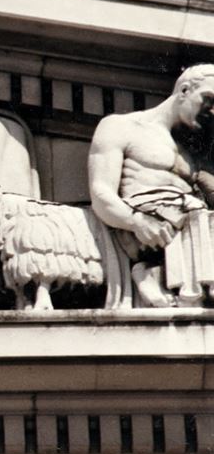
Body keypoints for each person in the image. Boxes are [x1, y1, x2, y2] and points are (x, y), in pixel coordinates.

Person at [88, 64, 214, 306]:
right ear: (185, 90)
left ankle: (157, 276)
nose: (212, 110)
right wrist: (136, 221)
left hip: (186, 228)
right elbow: (101, 191)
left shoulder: (195, 149)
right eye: (208, 99)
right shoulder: (122, 126)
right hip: (143, 225)